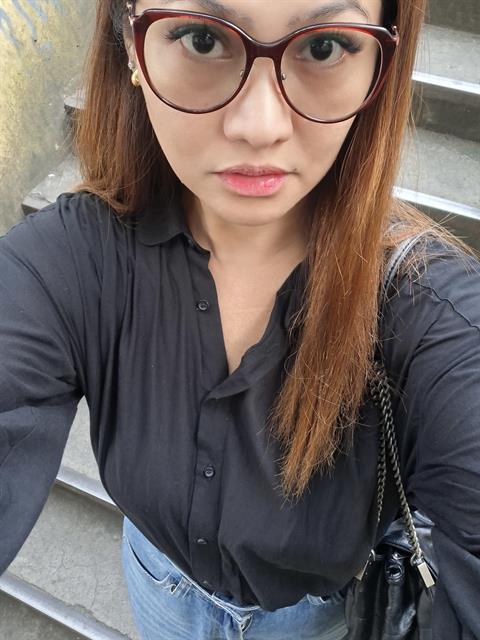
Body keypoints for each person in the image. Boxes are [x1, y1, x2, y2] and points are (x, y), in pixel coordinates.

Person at [0, 0, 479, 638]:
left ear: (379, 66)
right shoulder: (70, 260)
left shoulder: (431, 312)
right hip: (159, 585)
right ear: (133, 45)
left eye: (324, 47)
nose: (259, 125)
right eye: (202, 39)